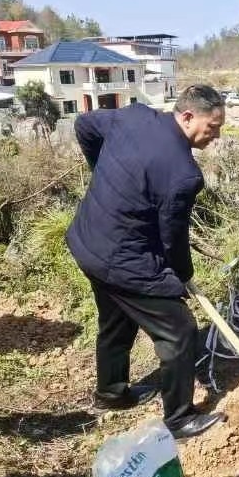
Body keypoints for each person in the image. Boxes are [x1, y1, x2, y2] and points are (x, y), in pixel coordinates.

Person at [67, 85, 226, 440]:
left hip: (87, 240)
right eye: (213, 127)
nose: (216, 135)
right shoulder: (183, 173)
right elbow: (172, 239)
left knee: (116, 318)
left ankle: (111, 394)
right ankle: (180, 419)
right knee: (180, 329)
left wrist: (103, 172)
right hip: (119, 258)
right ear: (187, 117)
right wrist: (182, 277)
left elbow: (84, 125)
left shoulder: (133, 117)